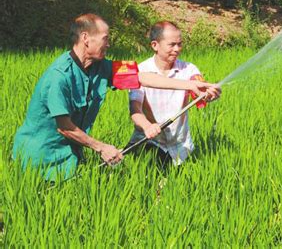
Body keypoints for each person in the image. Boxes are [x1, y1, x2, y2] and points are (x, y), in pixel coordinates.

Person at [12, 14, 219, 180]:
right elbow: (64, 126)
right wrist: (101, 147)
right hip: (39, 158)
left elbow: (140, 77)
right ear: (86, 38)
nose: (109, 44)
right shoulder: (59, 76)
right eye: (105, 39)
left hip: (69, 157)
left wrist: (190, 85)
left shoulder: (100, 66)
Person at [127, 21, 220, 168]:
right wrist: (147, 126)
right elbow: (135, 109)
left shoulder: (188, 69)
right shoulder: (140, 71)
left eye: (180, 44)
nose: (177, 49)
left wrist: (209, 94)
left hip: (180, 147)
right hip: (149, 142)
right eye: (172, 45)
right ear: (154, 45)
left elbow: (199, 90)